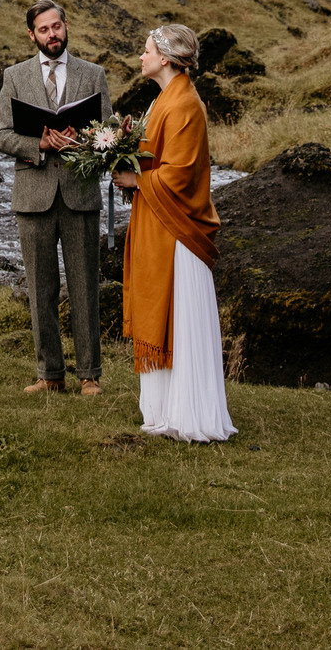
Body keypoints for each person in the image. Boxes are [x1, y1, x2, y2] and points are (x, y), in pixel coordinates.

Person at [113, 23, 236, 443]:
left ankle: (188, 414)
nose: (141, 57)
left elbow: (180, 174)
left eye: (147, 50)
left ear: (165, 58)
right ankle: (165, 410)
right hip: (159, 224)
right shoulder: (165, 97)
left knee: (181, 319)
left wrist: (136, 180)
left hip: (178, 232)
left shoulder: (183, 103)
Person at [0, 0, 110, 396]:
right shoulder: (14, 76)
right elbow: (0, 135)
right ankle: (49, 374)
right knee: (40, 288)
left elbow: (109, 132)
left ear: (65, 25)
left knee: (85, 285)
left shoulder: (93, 74)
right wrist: (38, 145)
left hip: (80, 193)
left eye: (56, 26)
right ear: (32, 35)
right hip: (33, 195)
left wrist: (86, 139)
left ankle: (89, 374)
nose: (52, 34)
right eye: (43, 29)